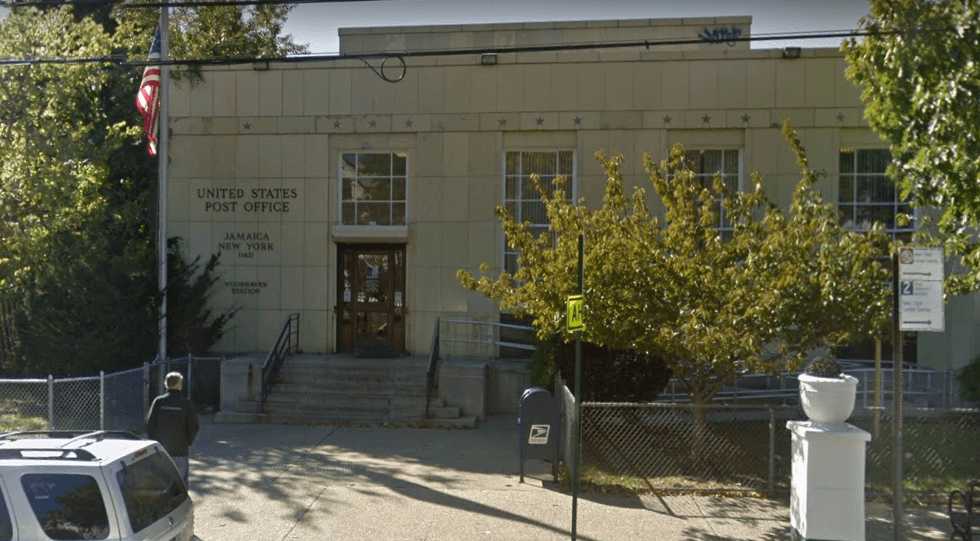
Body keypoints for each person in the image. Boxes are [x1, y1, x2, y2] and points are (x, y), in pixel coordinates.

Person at [146, 371, 199, 485]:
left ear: (166, 384)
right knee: (180, 482)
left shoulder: (158, 401)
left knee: (162, 481)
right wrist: (187, 441)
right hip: (180, 449)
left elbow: (150, 424)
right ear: (180, 384)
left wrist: (154, 442)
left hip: (161, 450)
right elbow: (194, 425)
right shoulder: (186, 403)